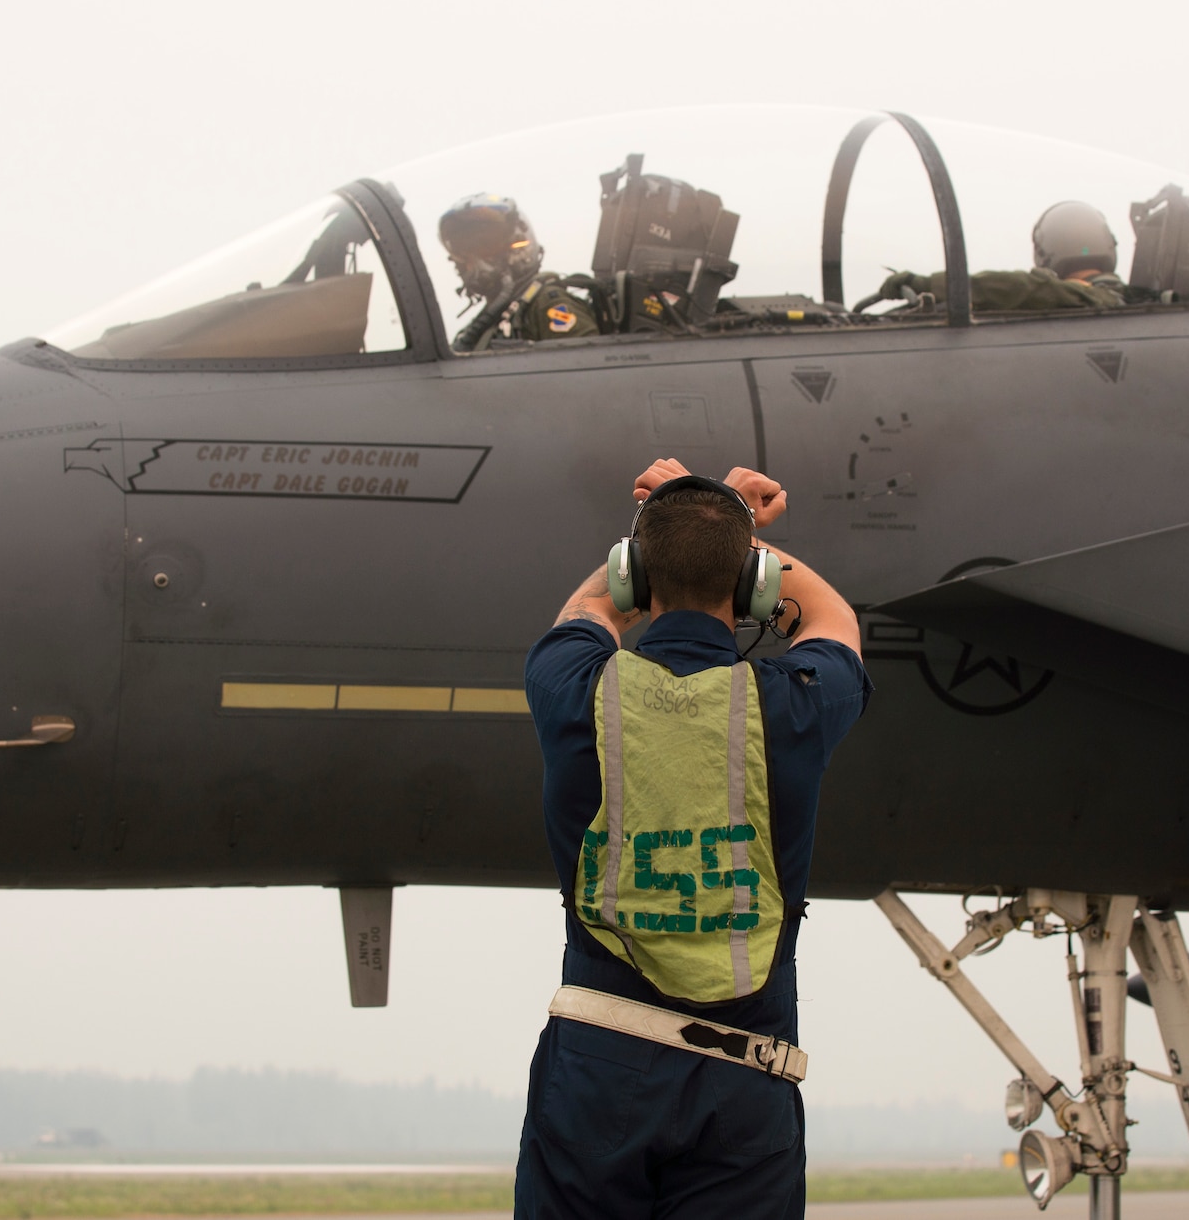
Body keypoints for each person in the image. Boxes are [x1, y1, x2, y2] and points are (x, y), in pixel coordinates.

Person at [516, 459, 870, 1219]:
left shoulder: (575, 686)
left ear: (634, 574)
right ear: (753, 588)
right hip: (742, 1083)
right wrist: (739, 521)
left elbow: (589, 607)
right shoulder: (792, 707)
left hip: (595, 1069)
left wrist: (654, 532)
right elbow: (836, 620)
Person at [864, 199, 1129, 313]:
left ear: (1044, 252)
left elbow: (1023, 288)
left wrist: (928, 286)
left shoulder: (1106, 301)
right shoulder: (1105, 303)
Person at [437, 193, 599, 349]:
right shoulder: (491, 320)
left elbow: (590, 368)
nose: (470, 261)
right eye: (463, 251)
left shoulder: (548, 304)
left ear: (518, 245)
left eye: (483, 245)